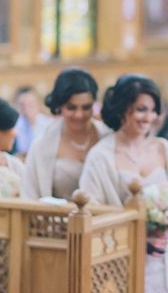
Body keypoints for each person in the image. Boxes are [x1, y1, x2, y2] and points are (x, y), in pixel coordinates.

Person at [79, 74, 168, 293]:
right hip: (119, 264)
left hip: (161, 262)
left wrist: (167, 229)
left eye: (151, 110)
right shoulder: (101, 156)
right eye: (140, 110)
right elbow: (92, 211)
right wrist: (135, 234)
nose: (147, 117)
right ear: (122, 109)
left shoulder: (166, 150)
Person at [21, 69, 108, 200]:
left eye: (86, 107)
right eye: (71, 108)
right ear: (59, 106)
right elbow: (29, 195)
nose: (79, 115)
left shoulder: (107, 136)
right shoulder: (42, 145)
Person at [12, 86, 52, 156]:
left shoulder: (49, 125)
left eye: (30, 104)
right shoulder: (13, 126)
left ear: (38, 104)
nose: (26, 109)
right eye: (22, 105)